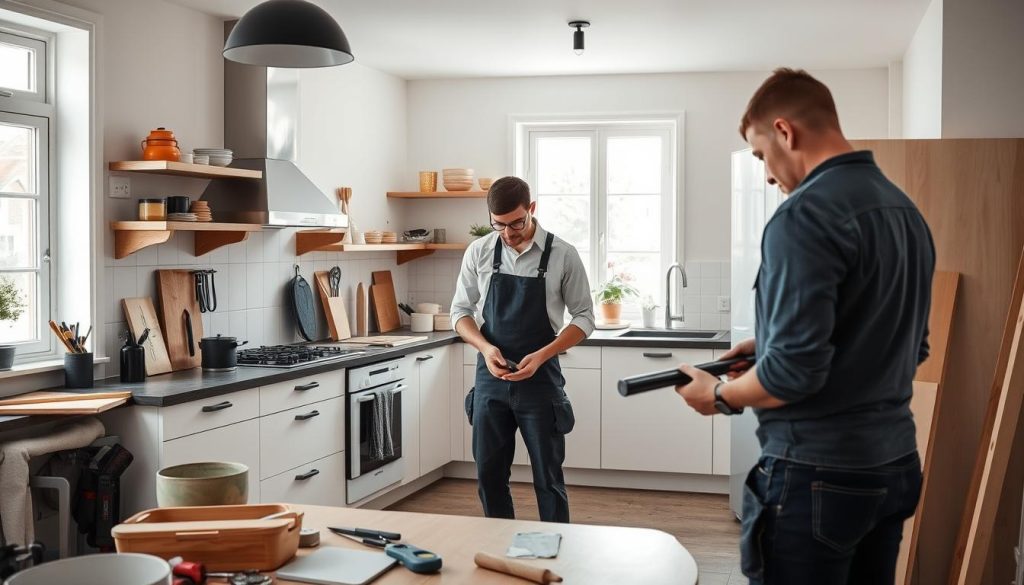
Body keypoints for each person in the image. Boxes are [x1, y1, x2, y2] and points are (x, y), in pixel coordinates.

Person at [675, 68, 935, 584]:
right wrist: (768, 344)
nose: (767, 176)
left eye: (760, 155)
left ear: (785, 131)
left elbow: (792, 376)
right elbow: (910, 347)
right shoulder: (906, 212)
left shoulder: (805, 215)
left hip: (818, 475)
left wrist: (721, 395)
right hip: (895, 466)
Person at [450, 176, 595, 523]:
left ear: (532, 209)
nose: (508, 233)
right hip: (491, 379)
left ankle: (558, 552)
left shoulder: (563, 255)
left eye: (516, 222)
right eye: (498, 224)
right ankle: (501, 551)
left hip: (541, 380)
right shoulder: (479, 251)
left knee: (548, 478)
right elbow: (460, 313)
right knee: (489, 476)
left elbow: (585, 317)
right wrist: (485, 348)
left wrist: (544, 354)